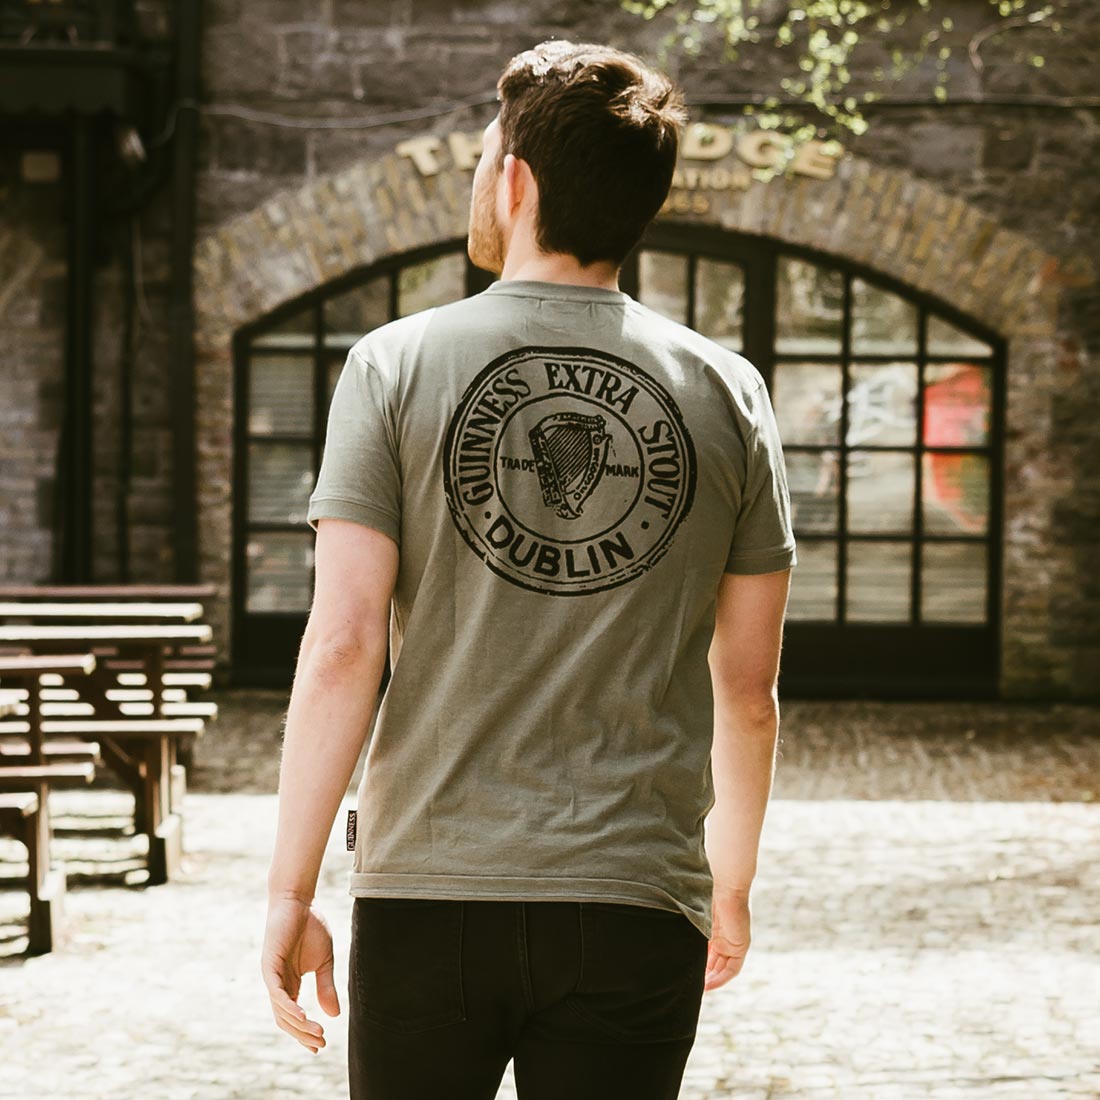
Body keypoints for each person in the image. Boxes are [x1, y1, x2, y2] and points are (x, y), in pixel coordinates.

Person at [261, 37, 797, 1100]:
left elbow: (341, 646)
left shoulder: (393, 363)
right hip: (636, 894)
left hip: (426, 893)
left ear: (514, 180)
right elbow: (745, 692)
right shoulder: (726, 389)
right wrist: (726, 883)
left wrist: (289, 887)